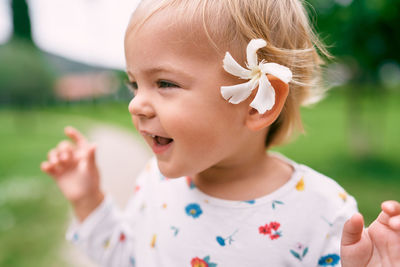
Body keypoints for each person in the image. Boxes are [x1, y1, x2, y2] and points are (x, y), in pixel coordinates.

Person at [41, 0, 400, 266]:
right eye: (135, 84)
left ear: (258, 103)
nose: (136, 104)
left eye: (164, 82)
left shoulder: (323, 212)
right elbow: (127, 258)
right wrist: (87, 200)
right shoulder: (156, 183)